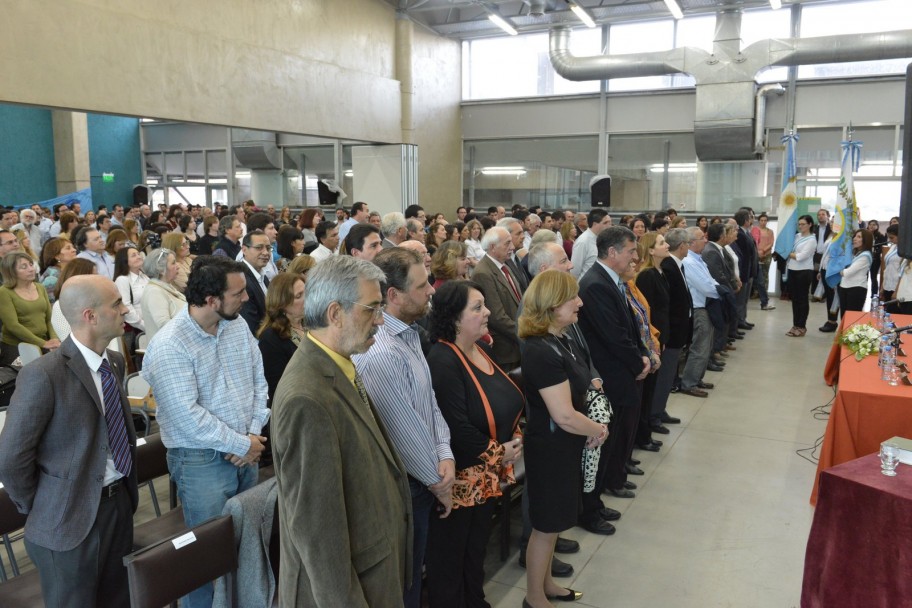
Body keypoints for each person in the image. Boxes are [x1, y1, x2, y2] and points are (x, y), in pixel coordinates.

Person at [271, 255, 412, 608]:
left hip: (372, 570)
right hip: (349, 589)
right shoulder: (307, 398)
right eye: (372, 309)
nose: (381, 320)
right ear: (336, 314)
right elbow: (318, 534)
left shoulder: (337, 363)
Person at [0, 274, 136, 607]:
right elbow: (10, 459)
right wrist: (46, 504)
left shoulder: (113, 362)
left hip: (118, 505)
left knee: (119, 600)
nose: (126, 309)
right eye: (116, 303)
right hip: (68, 519)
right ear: (90, 315)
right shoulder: (44, 374)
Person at [142, 255, 269, 608]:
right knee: (206, 560)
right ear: (212, 300)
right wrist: (240, 442)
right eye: (238, 293)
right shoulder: (171, 345)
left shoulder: (236, 325)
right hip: (202, 462)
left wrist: (253, 435)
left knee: (246, 548)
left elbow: (259, 381)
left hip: (247, 449)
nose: (246, 299)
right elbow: (187, 416)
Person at [353, 248, 455, 608]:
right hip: (408, 485)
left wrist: (445, 453)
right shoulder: (380, 351)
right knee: (404, 583)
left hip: (427, 475)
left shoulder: (410, 335)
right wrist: (438, 480)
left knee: (416, 571)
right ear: (393, 295)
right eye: (423, 284)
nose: (431, 291)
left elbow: (429, 404)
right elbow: (401, 430)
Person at [425, 280, 524, 608]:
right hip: (460, 481)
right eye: (478, 307)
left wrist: (516, 434)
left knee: (475, 551)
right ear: (454, 317)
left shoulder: (481, 349)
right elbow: (455, 426)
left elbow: (504, 400)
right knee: (450, 560)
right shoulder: (442, 359)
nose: (488, 313)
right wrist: (501, 451)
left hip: (486, 477)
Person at [519, 270, 607, 608]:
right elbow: (564, 415)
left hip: (564, 445)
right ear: (552, 304)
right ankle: (534, 596)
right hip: (550, 448)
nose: (580, 302)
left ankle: (547, 584)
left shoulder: (561, 338)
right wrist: (596, 429)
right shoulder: (540, 350)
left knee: (554, 523)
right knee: (545, 525)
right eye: (573, 297)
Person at [636, 232, 680, 432]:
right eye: (662, 243)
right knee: (652, 382)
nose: (667, 245)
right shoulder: (647, 275)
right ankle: (649, 421)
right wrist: (654, 339)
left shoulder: (659, 271)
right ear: (651, 250)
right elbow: (648, 311)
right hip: (653, 336)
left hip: (662, 333)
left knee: (659, 380)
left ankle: (654, 416)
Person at [471, 226, 522, 371]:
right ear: (493, 247)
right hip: (505, 349)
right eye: (507, 243)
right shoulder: (483, 273)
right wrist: (525, 334)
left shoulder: (504, 266)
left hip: (515, 345)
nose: (512, 247)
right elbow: (497, 317)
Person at [0, 252, 60, 365]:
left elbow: (49, 318)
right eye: (24, 267)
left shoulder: (40, 287)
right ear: (11, 272)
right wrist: (43, 343)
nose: (31, 269)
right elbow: (13, 325)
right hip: (17, 346)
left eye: (31, 264)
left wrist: (54, 340)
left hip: (43, 342)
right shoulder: (4, 292)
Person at [681, 227, 721, 394]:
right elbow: (707, 287)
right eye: (701, 238)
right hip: (699, 309)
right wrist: (721, 291)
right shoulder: (689, 262)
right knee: (700, 347)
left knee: (706, 346)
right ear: (691, 243)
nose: (705, 241)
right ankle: (689, 383)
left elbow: (711, 281)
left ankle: (697, 379)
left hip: (707, 306)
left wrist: (718, 288)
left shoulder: (698, 259)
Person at [257, 272, 306, 409]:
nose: (307, 298)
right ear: (282, 304)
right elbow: (279, 386)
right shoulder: (270, 338)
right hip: (293, 409)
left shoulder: (311, 324)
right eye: (299, 296)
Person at [140, 248, 186, 339]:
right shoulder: (154, 292)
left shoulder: (166, 286)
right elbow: (165, 326)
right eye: (173, 263)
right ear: (161, 269)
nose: (178, 266)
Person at [785, 215, 817, 337]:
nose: (801, 226)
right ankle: (795, 325)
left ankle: (802, 326)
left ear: (810, 224)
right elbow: (793, 253)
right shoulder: (797, 236)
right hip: (792, 270)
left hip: (804, 272)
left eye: (803, 224)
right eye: (799, 224)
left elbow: (801, 257)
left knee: (802, 300)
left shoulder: (812, 240)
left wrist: (788, 252)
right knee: (795, 299)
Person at [238, 229, 273, 334]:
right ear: (244, 250)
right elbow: (253, 326)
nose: (266, 253)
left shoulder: (262, 275)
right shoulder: (241, 280)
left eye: (268, 248)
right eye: (259, 248)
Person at [837, 229, 874, 317]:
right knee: (844, 317)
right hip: (844, 286)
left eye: (859, 237)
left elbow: (847, 272)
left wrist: (836, 269)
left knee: (851, 318)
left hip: (856, 289)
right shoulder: (856, 253)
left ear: (866, 240)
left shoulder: (865, 256)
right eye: (855, 236)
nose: (854, 239)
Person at [113, 246, 149, 334]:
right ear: (125, 261)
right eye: (133, 255)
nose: (138, 257)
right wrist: (143, 325)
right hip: (137, 329)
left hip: (151, 323)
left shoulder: (144, 276)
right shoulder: (122, 280)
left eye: (138, 254)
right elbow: (126, 307)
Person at [571, 208, 611, 280]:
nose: (609, 226)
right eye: (605, 223)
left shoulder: (601, 238)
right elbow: (574, 270)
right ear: (595, 224)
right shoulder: (583, 241)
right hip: (585, 286)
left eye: (610, 222)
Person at [38, 237, 78, 303]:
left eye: (73, 247)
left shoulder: (70, 270)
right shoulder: (51, 278)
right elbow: (52, 304)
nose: (74, 250)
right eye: (68, 248)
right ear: (57, 256)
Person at [755, 213, 776, 310]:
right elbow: (753, 242)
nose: (763, 222)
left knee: (765, 274)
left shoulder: (770, 231)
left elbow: (771, 243)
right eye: (761, 220)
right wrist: (758, 251)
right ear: (759, 221)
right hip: (756, 254)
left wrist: (763, 250)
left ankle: (765, 294)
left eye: (765, 220)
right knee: (756, 274)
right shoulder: (755, 230)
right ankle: (756, 293)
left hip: (767, 254)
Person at [881, 224, 902, 305]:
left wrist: (896, 291)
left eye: (892, 237)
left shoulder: (905, 250)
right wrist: (883, 287)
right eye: (889, 237)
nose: (890, 240)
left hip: (897, 287)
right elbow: (887, 269)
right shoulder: (893, 247)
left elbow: (902, 273)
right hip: (887, 285)